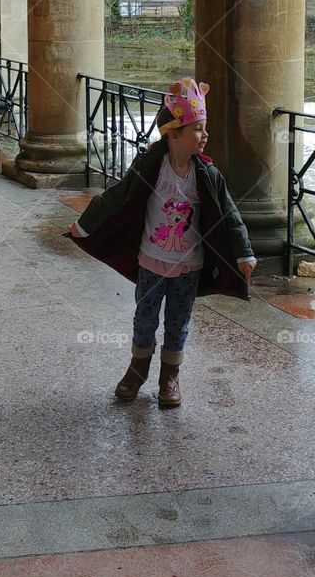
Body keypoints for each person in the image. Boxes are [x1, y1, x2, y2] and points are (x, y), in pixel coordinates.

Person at [66, 78, 257, 409]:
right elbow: (117, 197)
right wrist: (85, 225)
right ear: (173, 133)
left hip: (189, 266)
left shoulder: (207, 175)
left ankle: (170, 378)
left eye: (204, 128)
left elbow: (229, 214)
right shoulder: (150, 165)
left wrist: (244, 253)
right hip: (151, 261)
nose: (205, 135)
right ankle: (136, 373)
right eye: (197, 129)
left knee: (178, 323)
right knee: (145, 319)